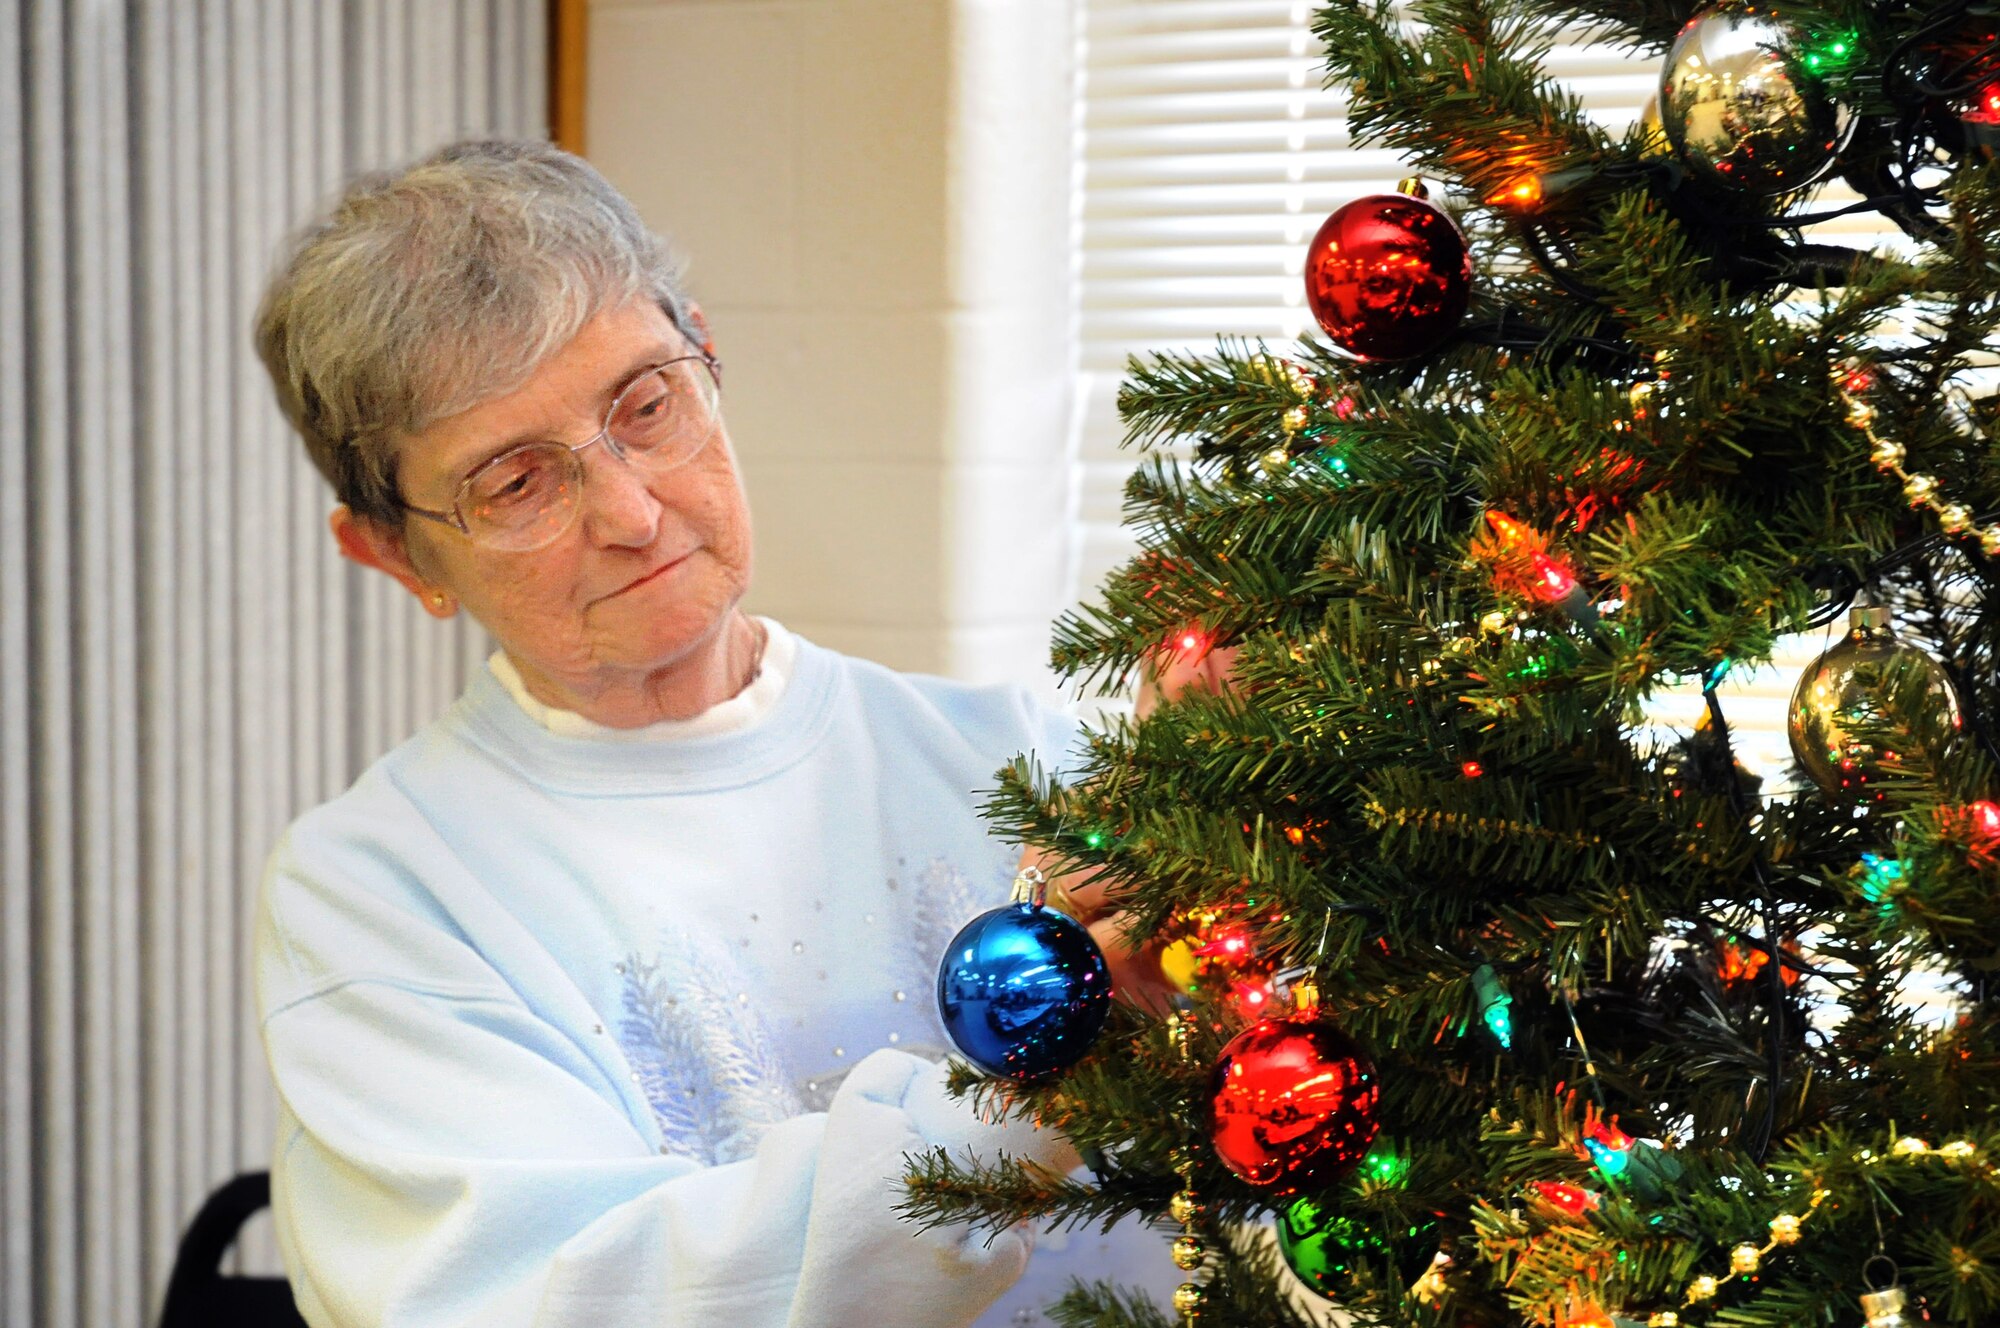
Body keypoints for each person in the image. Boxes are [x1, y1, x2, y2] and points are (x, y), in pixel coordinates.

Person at [250, 139, 1182, 1328]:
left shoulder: (1009, 753)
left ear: (707, 356)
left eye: (646, 404)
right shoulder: (381, 890)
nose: (633, 511)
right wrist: (1037, 1077)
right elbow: (556, 1299)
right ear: (393, 552)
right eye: (515, 483)